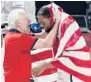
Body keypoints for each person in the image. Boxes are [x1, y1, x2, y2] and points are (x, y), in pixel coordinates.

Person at [32, 3, 91, 82]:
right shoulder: (56, 23)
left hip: (75, 70)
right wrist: (29, 35)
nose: (41, 26)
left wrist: (44, 65)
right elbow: (44, 35)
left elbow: (68, 56)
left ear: (51, 18)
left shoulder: (66, 24)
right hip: (68, 70)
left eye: (43, 22)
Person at [3, 8, 60, 82]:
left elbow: (42, 36)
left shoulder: (13, 36)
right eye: (26, 19)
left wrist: (52, 24)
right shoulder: (19, 38)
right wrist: (57, 22)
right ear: (18, 23)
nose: (30, 21)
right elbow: (46, 43)